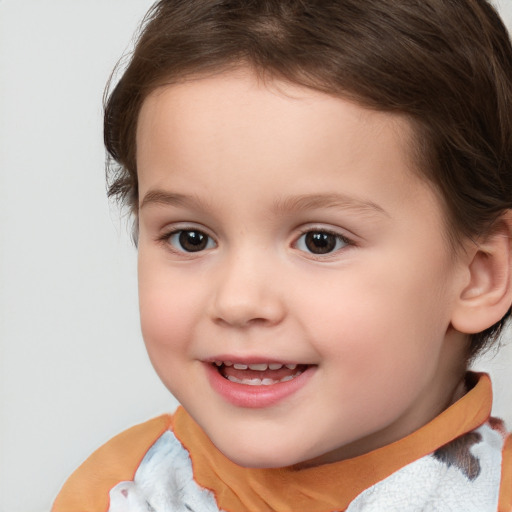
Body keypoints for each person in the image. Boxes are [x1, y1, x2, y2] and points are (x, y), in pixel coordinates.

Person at [52, 0, 512, 510]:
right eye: (192, 238)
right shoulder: (115, 495)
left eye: (320, 241)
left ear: (478, 275)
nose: (238, 300)